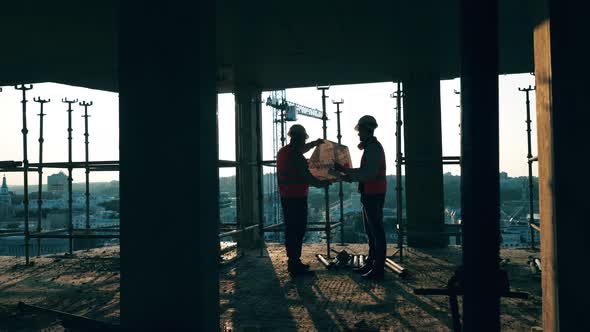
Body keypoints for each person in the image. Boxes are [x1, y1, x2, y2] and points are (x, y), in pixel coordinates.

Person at [335, 115, 387, 280]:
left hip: (374, 194)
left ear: (367, 130)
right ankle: (372, 263)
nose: (358, 134)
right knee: (371, 231)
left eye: (360, 131)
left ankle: (377, 268)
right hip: (370, 193)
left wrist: (345, 171)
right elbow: (363, 174)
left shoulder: (373, 148)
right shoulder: (370, 148)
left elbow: (368, 174)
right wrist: (343, 175)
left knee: (376, 231)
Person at [277, 124, 331, 277]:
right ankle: (295, 265)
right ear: (300, 138)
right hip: (296, 198)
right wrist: (323, 183)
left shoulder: (285, 151)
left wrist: (314, 143)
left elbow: (301, 149)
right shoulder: (295, 155)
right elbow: (307, 176)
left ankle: (293, 262)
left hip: (287, 197)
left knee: (291, 230)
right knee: (297, 230)